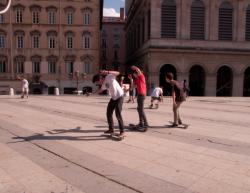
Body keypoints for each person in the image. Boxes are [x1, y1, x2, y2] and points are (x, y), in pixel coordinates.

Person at [92, 70, 125, 137]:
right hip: (113, 98)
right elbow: (100, 90)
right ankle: (111, 129)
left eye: (97, 82)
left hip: (119, 96)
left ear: (100, 79)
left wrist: (108, 72)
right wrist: (91, 93)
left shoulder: (109, 77)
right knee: (109, 112)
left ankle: (122, 132)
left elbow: (118, 73)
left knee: (118, 114)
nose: (98, 84)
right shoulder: (104, 84)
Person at [131, 65, 149, 131]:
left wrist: (135, 67)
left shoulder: (141, 77)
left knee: (141, 109)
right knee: (139, 109)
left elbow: (138, 71)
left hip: (142, 95)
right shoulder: (136, 79)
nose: (134, 75)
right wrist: (131, 80)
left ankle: (146, 124)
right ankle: (141, 123)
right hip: (139, 95)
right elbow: (132, 87)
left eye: (134, 74)